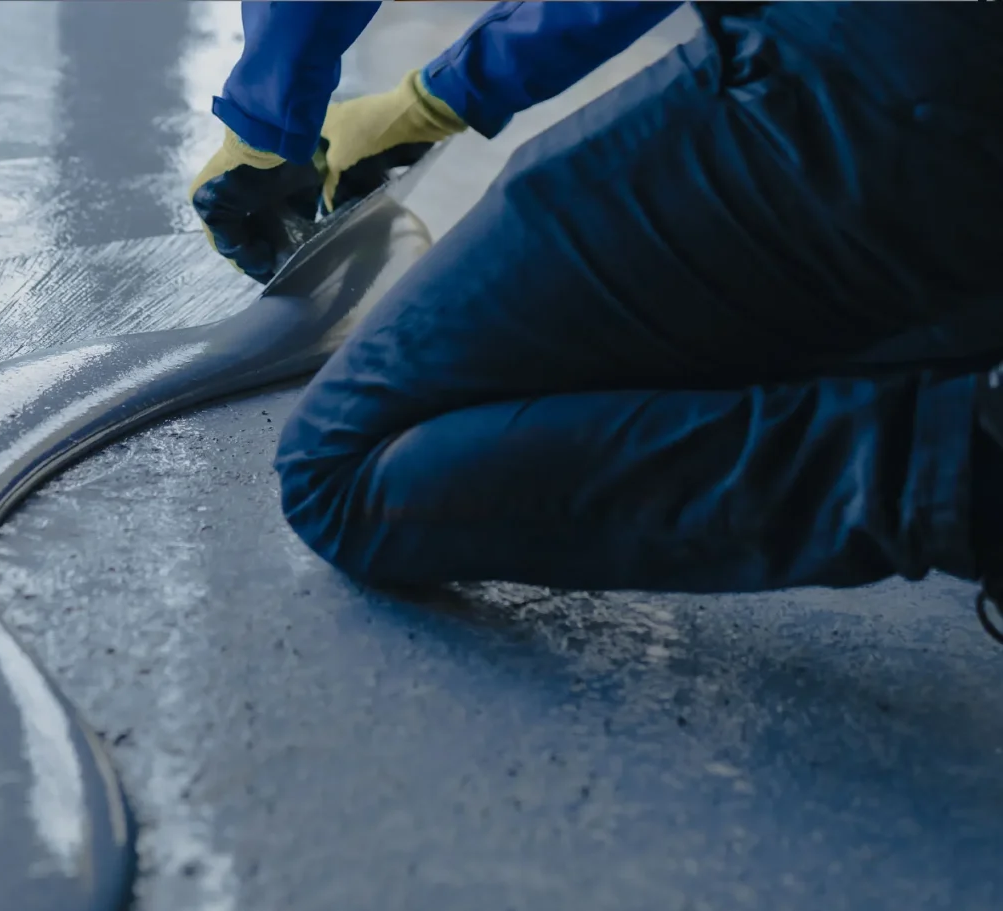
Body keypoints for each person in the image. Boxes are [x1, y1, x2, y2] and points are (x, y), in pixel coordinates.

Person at [188, 1, 1003, 644]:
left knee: (339, 471)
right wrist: (435, 96)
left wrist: (274, 113)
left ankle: (967, 475)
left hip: (902, 86)